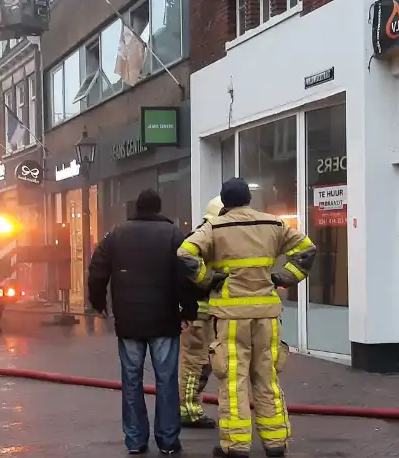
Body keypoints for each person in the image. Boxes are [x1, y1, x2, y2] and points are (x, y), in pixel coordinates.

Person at [177, 178, 318, 458]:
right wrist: (283, 278)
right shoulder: (273, 225)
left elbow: (185, 255)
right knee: (266, 378)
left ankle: (237, 446)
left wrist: (209, 279)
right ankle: (276, 442)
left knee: (233, 381)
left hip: (231, 317)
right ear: (248, 200)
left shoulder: (214, 227)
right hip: (266, 315)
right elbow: (307, 250)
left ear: (224, 202)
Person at [87, 189, 196, 456]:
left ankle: (135, 440)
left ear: (136, 208)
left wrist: (99, 303)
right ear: (159, 208)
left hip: (129, 320)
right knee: (166, 379)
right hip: (164, 320)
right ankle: (168, 440)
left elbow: (97, 270)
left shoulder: (115, 235)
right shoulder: (173, 234)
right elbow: (187, 273)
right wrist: (188, 310)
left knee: (132, 379)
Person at [178, 197, 222, 429]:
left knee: (203, 364)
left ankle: (190, 406)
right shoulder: (199, 243)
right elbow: (187, 279)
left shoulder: (201, 239)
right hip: (198, 317)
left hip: (207, 315)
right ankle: (187, 410)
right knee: (195, 364)